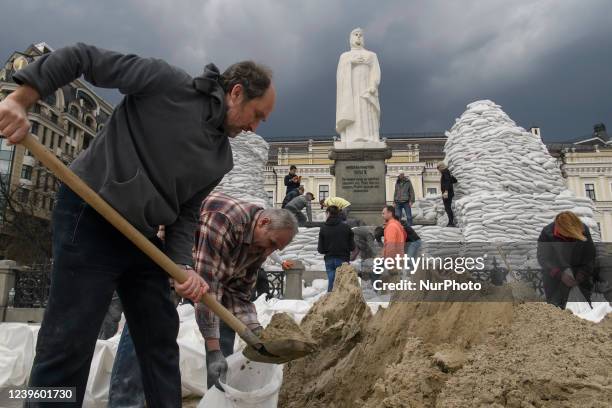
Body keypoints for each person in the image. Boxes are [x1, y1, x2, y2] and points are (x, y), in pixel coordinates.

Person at [0, 43, 276, 407]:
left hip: (141, 237)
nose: (255, 128)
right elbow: (82, 57)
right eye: (256, 115)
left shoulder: (220, 158)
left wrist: (180, 265)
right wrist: (20, 99)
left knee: (160, 336)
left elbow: (186, 213)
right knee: (69, 341)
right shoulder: (167, 84)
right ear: (236, 92)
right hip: (91, 213)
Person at [194, 192, 298, 389]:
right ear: (263, 222)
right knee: (153, 333)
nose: (269, 252)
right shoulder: (224, 220)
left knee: (225, 334)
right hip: (168, 266)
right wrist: (213, 350)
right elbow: (207, 289)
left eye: (276, 248)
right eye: (272, 243)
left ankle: (218, 397)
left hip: (209, 279)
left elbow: (238, 294)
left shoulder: (260, 245)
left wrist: (257, 335)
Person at [537, 211, 596, 309]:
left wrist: (582, 274)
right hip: (555, 275)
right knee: (555, 307)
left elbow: (590, 255)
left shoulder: (583, 229)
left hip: (579, 271)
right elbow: (543, 258)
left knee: (587, 307)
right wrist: (560, 275)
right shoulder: (547, 233)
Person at [335, 28, 381, 145]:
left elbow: (375, 72)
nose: (359, 36)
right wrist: (351, 62)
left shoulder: (371, 55)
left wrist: (373, 85)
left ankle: (369, 137)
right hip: (351, 92)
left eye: (361, 35)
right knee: (354, 110)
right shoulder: (345, 56)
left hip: (366, 90)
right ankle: (352, 136)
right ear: (351, 38)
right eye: (356, 34)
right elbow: (340, 76)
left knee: (367, 110)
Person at [317, 206, 356, 292]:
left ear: (328, 214)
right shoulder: (346, 227)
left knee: (331, 280)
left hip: (329, 259)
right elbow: (352, 247)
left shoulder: (323, 228)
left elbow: (320, 249)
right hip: (343, 258)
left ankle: (330, 298)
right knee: (342, 283)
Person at [381, 205, 406, 270]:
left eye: (383, 213)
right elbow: (405, 236)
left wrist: (389, 260)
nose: (382, 215)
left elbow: (390, 245)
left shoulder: (391, 226)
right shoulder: (397, 224)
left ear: (390, 213)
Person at [437, 162, 458, 227]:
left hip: (447, 193)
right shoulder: (447, 172)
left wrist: (446, 191)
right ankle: (450, 221)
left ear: (441, 167)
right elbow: (453, 180)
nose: (438, 170)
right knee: (447, 207)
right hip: (448, 193)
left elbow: (447, 181)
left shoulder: (445, 172)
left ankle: (451, 222)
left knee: (447, 207)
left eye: (438, 168)